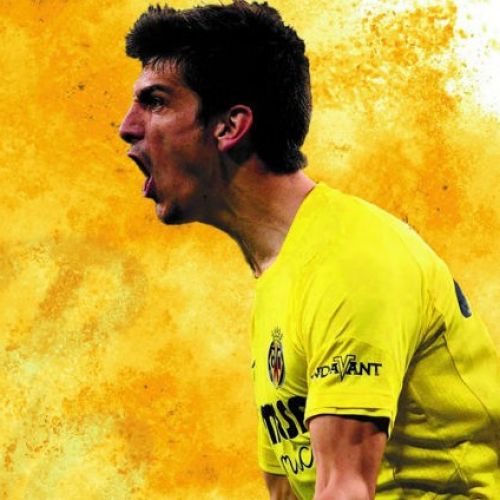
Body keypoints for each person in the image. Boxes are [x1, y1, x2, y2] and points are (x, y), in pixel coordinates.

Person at [118, 1, 500, 498]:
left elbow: (345, 488)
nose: (127, 126)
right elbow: (288, 488)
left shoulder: (351, 261)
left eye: (156, 102)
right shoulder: (280, 274)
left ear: (229, 126)